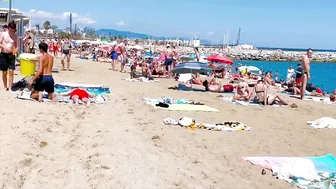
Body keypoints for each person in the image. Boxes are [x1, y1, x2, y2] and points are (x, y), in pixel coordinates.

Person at [0, 21, 18, 91]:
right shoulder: (3, 34)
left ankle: (10, 87)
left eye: (13, 31)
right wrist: (4, 47)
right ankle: (5, 86)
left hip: (11, 55)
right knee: (4, 72)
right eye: (10, 30)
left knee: (11, 71)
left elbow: (17, 46)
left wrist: (16, 50)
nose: (11, 32)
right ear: (8, 28)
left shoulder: (15, 36)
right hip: (3, 54)